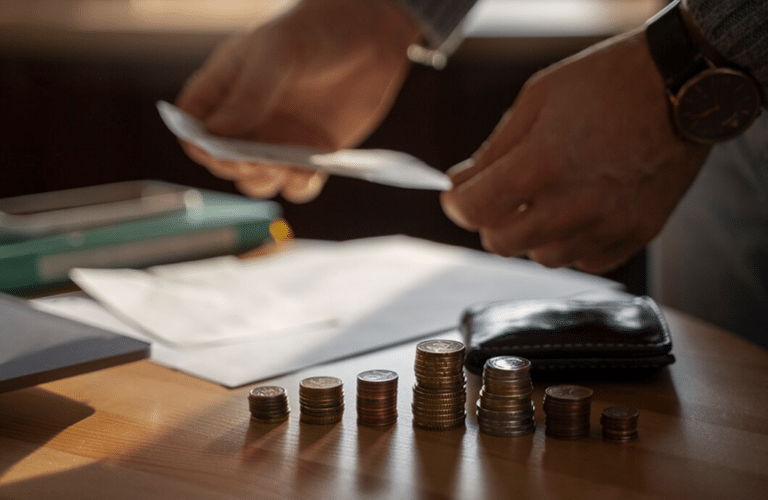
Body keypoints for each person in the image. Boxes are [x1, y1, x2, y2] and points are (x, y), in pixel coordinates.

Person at [175, 0, 768, 348]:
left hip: (710, 85)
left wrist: (696, 53)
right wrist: (383, 10)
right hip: (722, 96)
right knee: (722, 418)